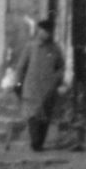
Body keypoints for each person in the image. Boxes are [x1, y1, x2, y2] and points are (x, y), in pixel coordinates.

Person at [10, 17, 66, 152]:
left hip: (48, 91)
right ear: (39, 31)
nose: (47, 34)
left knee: (45, 119)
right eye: (44, 30)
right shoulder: (31, 47)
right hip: (32, 90)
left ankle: (39, 143)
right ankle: (35, 143)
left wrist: (57, 79)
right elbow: (21, 67)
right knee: (33, 117)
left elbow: (61, 67)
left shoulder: (55, 49)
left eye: (49, 31)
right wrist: (18, 83)